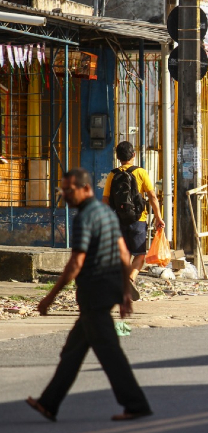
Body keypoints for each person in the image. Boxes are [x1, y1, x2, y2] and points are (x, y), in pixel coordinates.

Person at [26, 168, 152, 422]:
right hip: (103, 294)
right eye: (63, 190)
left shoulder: (85, 217)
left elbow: (76, 263)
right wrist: (124, 291)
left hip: (94, 295)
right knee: (72, 352)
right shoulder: (105, 213)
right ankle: (49, 403)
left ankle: (136, 404)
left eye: (69, 190)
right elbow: (121, 252)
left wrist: (49, 297)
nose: (65, 195)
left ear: (84, 188)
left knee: (110, 353)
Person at [102, 141, 165, 300]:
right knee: (140, 255)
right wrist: (158, 218)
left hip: (118, 220)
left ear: (118, 157)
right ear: (134, 155)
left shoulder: (112, 174)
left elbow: (105, 200)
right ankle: (130, 279)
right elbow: (152, 196)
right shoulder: (141, 173)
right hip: (138, 220)